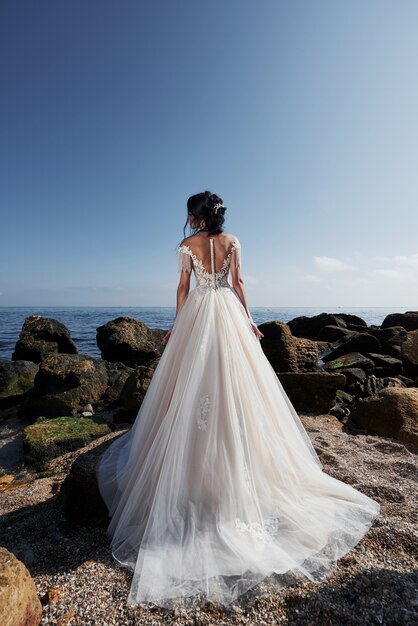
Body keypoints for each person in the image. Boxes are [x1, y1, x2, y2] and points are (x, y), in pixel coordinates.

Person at [96, 191, 380, 610]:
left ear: (195, 216)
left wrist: (176, 328)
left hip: (197, 313)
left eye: (189, 215)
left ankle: (196, 465)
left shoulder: (185, 247)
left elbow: (182, 288)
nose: (187, 221)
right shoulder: (233, 243)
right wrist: (247, 318)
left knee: (192, 385)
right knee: (236, 384)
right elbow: (239, 283)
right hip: (227, 310)